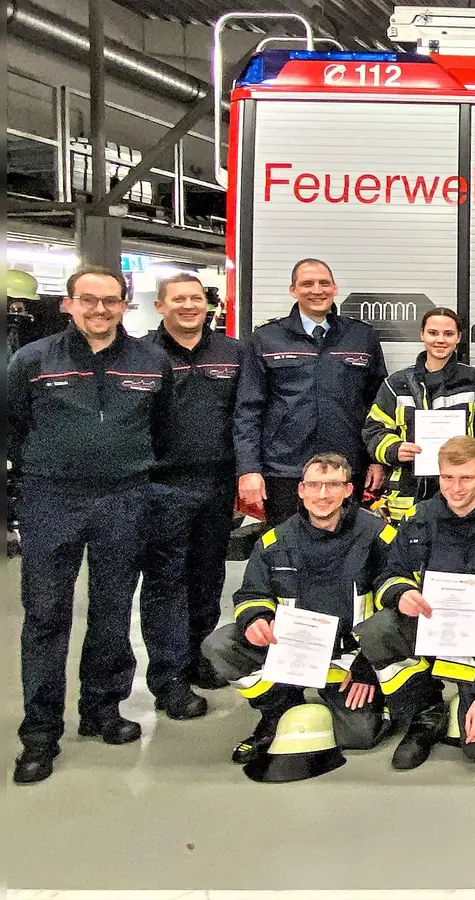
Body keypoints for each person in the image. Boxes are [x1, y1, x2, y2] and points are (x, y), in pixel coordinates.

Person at [8, 265, 172, 785]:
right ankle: (40, 732)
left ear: (125, 305)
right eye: (89, 301)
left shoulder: (151, 361)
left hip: (124, 497)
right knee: (46, 615)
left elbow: (161, 428)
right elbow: (13, 426)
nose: (100, 310)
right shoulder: (31, 360)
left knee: (111, 608)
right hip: (50, 498)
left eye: (110, 301)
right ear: (68, 304)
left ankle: (102, 709)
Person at [200, 452, 411, 765]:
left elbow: (397, 601)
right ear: (301, 490)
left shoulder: (378, 535)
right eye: (314, 485)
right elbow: (252, 592)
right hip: (290, 651)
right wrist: (257, 618)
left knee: (359, 736)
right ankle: (277, 709)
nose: (323, 495)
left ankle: (373, 702)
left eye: (332, 485)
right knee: (220, 644)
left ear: (349, 490)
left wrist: (369, 664)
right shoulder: (275, 540)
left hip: (349, 658)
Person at [355, 436, 475, 769]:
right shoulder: (418, 517)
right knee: (378, 630)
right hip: (431, 635)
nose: (456, 487)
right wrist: (402, 593)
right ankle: (426, 710)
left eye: (466, 477)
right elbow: (388, 575)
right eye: (447, 478)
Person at [139, 272, 243, 721]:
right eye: (178, 299)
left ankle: (199, 658)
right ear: (160, 306)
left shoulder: (232, 353)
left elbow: (246, 415)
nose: (188, 306)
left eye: (196, 298)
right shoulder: (140, 354)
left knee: (207, 578)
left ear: (209, 305)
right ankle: (168, 678)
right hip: (161, 485)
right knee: (166, 583)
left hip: (217, 484)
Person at [235, 258, 388, 527]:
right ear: (293, 290)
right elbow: (248, 409)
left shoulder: (361, 337)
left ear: (335, 288)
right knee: (286, 554)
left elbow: (377, 406)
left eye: (323, 283)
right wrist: (249, 469)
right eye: (307, 284)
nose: (317, 290)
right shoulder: (266, 338)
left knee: (346, 551)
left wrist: (376, 460)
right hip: (284, 470)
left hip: (346, 467)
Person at [364, 307, 475, 522]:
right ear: (422, 335)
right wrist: (395, 449)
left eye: (448, 334)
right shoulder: (396, 384)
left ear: (458, 337)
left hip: (462, 498)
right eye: (433, 333)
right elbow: (374, 430)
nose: (440, 340)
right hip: (407, 496)